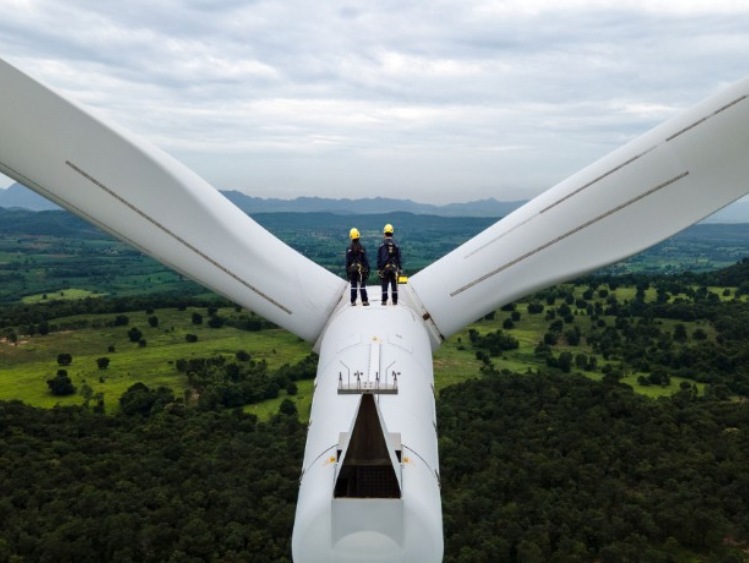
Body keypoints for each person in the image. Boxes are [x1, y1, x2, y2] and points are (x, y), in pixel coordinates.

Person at [377, 223, 402, 306]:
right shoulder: (396, 245)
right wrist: (400, 268)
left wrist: (379, 269)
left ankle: (384, 301)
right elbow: (399, 258)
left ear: (384, 233)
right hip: (394, 268)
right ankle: (395, 300)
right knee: (394, 284)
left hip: (385, 269)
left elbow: (379, 259)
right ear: (392, 233)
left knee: (384, 284)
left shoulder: (381, 245)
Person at [346, 228, 370, 306]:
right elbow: (365, 260)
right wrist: (367, 270)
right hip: (361, 270)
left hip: (352, 270)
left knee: (353, 286)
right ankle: (364, 301)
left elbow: (348, 262)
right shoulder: (362, 248)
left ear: (351, 237)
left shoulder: (349, 249)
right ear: (358, 236)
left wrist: (348, 272)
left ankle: (353, 301)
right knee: (362, 286)